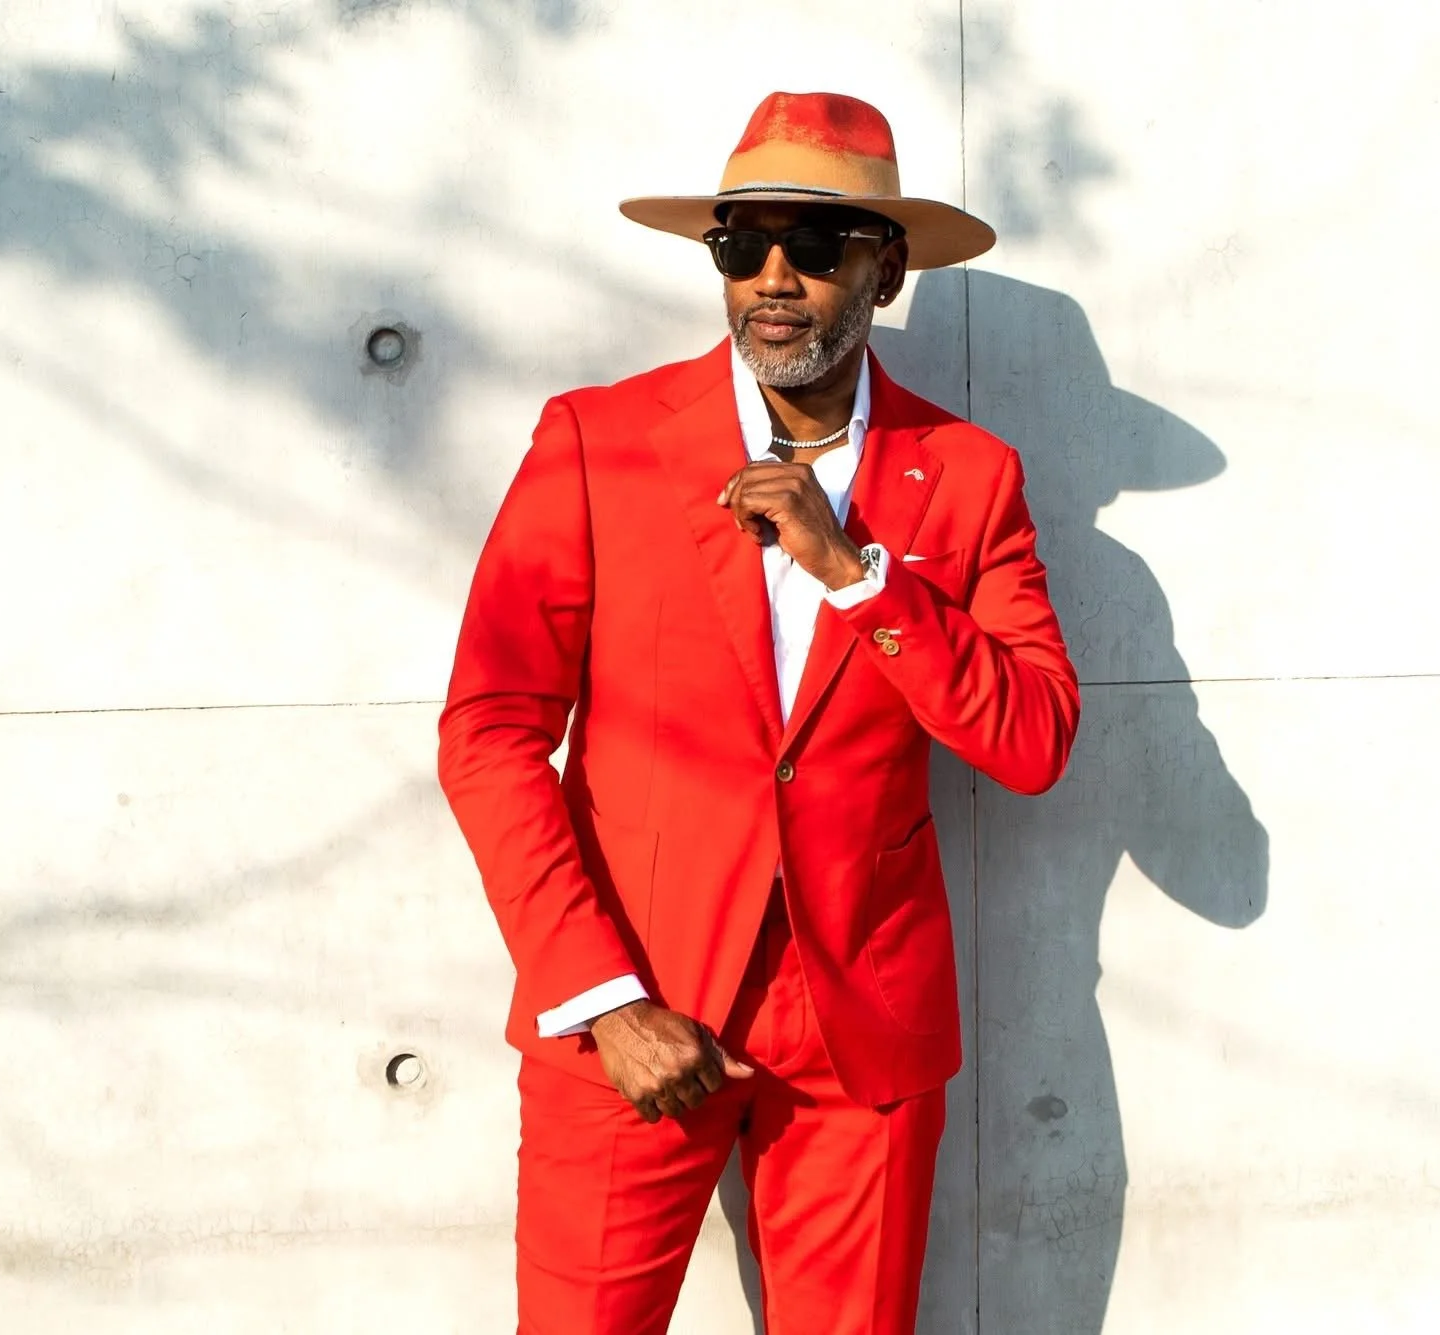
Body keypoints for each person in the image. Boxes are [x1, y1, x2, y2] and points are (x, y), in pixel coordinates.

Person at [437, 90, 1080, 1334]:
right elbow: (489, 732)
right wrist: (601, 998)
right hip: (632, 1002)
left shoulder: (966, 477)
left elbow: (1032, 740)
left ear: (884, 269)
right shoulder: (599, 443)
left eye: (815, 243)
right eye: (740, 244)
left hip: (863, 1027)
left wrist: (856, 575)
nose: (771, 276)